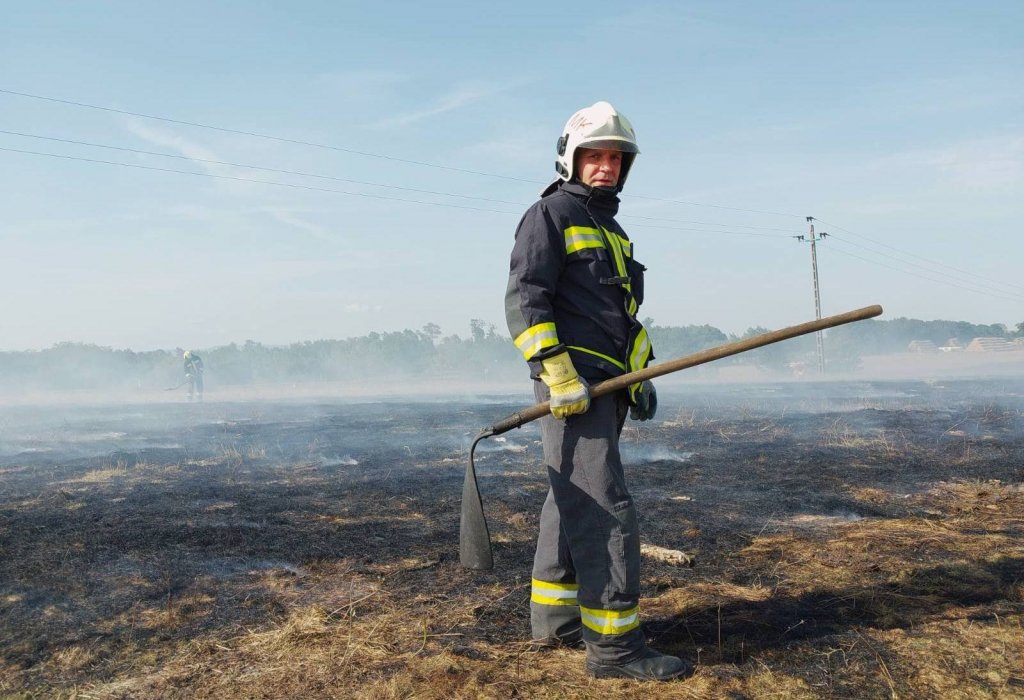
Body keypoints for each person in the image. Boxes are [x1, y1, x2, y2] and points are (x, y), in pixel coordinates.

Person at [504, 101, 690, 681]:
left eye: (615, 157)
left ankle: (555, 621)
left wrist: (642, 373)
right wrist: (557, 374)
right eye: (595, 155)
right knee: (605, 506)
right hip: (572, 390)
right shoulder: (550, 215)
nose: (606, 166)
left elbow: (620, 315)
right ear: (571, 157)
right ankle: (615, 650)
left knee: (571, 499)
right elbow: (525, 300)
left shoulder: (612, 230)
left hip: (608, 389)